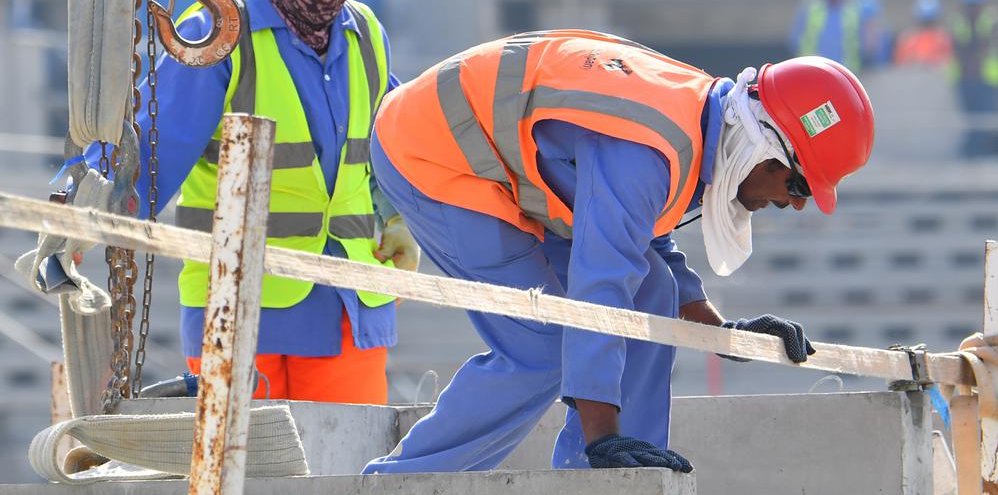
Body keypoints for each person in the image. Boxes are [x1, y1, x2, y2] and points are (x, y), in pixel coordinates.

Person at [362, 29, 875, 474]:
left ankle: (616, 479)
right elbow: (601, 281)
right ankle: (399, 483)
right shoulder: (649, 150)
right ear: (764, 149)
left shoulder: (697, 123)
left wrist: (724, 334)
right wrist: (602, 434)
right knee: (541, 349)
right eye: (799, 185)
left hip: (489, 158)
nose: (795, 204)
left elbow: (642, 240)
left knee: (654, 289)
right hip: (432, 152)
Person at [87, 0, 416, 404]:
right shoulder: (219, 34)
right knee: (248, 457)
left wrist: (400, 217)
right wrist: (85, 210)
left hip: (350, 307)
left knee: (352, 456)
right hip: (238, 309)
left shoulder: (366, 38)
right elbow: (149, 153)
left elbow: (388, 145)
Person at [948, 0, 998, 157]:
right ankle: (970, 155)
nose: (973, 8)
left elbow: (988, 45)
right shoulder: (958, 22)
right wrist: (969, 64)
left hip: (988, 79)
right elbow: (958, 47)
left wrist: (975, 62)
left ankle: (980, 155)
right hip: (965, 79)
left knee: (986, 120)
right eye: (969, 4)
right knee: (969, 121)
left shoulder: (992, 20)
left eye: (976, 4)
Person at [789, 0, 871, 72]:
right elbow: (796, 40)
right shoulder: (811, 8)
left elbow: (866, 46)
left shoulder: (854, 10)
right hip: (814, 72)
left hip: (847, 73)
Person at [895, 0, 953, 66]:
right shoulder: (908, 39)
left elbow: (949, 61)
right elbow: (900, 63)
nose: (927, 28)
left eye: (930, 22)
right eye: (924, 23)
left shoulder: (943, 39)